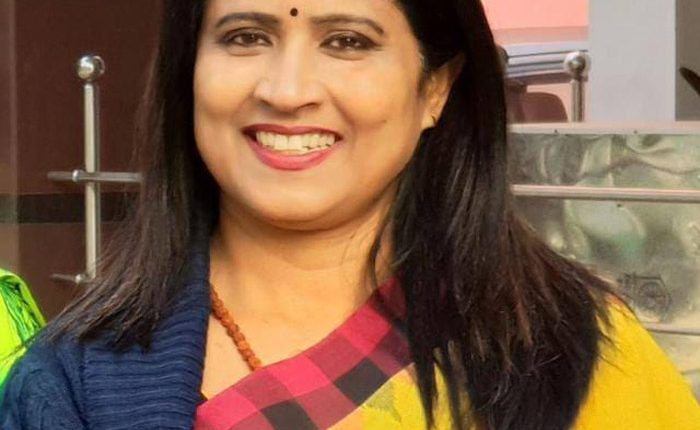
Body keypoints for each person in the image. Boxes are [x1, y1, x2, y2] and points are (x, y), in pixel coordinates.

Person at [2, 0, 699, 429]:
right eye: (244, 36)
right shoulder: (70, 386)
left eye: (348, 41)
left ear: (435, 88)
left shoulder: (572, 345)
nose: (287, 91)